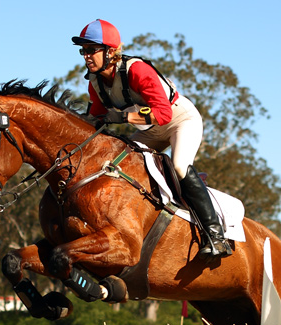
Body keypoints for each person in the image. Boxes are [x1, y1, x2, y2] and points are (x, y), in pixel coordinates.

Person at [72, 19, 232, 259]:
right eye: (83, 50)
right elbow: (97, 120)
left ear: (111, 51)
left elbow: (163, 113)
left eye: (91, 50)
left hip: (179, 120)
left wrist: (123, 117)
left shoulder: (136, 70)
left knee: (179, 165)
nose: (86, 56)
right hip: (150, 130)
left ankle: (215, 235)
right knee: (121, 164)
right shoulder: (95, 83)